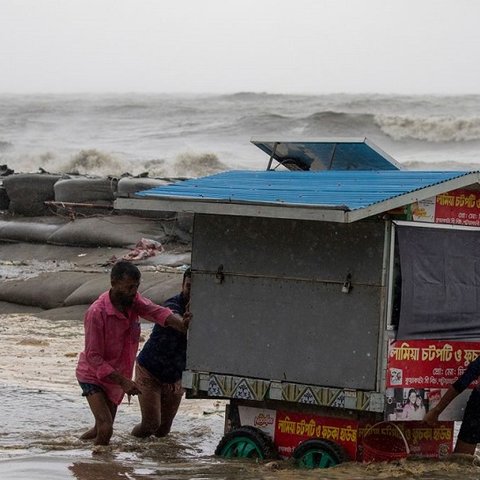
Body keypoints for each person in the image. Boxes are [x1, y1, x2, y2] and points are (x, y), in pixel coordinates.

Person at [75, 260, 191, 446]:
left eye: (136, 287)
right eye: (129, 287)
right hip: (92, 375)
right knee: (106, 428)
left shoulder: (133, 302)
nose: (133, 292)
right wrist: (123, 382)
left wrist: (184, 326)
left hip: (116, 376)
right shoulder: (96, 313)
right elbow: (93, 357)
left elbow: (157, 312)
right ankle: (98, 469)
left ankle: (73, 448)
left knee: (101, 428)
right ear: (113, 283)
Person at [131, 267, 191, 438]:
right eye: (189, 287)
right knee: (150, 425)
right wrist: (185, 324)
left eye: (197, 288)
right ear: (182, 286)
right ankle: (131, 449)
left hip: (175, 376)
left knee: (163, 431)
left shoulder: (209, 311)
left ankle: (158, 462)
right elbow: (173, 317)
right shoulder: (172, 304)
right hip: (150, 371)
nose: (192, 292)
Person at [424, 356, 480, 454]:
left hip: (477, 409)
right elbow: (462, 382)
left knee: (462, 461)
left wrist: (437, 410)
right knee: (462, 460)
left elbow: (463, 382)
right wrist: (437, 410)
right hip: (477, 409)